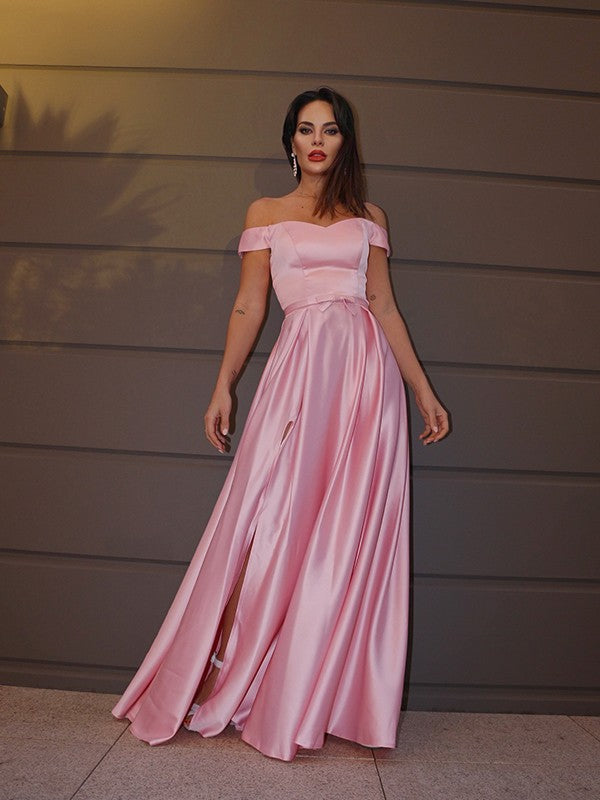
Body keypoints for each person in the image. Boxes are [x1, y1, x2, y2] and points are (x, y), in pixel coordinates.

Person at [111, 86, 449, 762]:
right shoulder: (265, 213)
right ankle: (236, 677)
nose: (317, 140)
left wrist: (422, 390)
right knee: (270, 520)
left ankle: (316, 694)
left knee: (346, 534)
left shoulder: (370, 218)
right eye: (305, 129)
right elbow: (249, 305)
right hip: (301, 376)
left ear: (345, 141)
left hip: (367, 382)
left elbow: (383, 304)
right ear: (290, 141)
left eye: (330, 129)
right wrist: (223, 385)